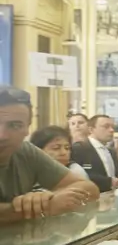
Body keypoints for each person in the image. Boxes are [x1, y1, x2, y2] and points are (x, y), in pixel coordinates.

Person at [0, 86, 98, 220]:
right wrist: (46, 205)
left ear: (27, 129)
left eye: (15, 125)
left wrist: (49, 197)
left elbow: (90, 189)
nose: (2, 135)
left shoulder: (25, 151)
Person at [71, 115, 118, 192]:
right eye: (106, 127)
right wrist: (109, 182)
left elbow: (117, 173)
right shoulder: (78, 149)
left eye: (112, 127)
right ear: (91, 129)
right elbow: (79, 176)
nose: (111, 130)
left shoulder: (111, 151)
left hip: (112, 197)